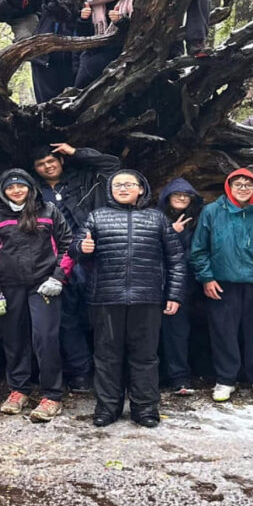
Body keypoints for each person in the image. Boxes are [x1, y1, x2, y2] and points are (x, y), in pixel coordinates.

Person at [76, 170, 186, 428]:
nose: (123, 188)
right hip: (106, 297)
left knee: (145, 356)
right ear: (110, 190)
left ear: (141, 189)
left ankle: (145, 407)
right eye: (117, 185)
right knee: (106, 355)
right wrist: (81, 248)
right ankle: (107, 407)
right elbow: (77, 246)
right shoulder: (97, 216)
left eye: (129, 184)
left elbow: (176, 260)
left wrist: (174, 294)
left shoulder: (156, 218)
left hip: (146, 297)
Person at [0, 169, 72, 423]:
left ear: (31, 188)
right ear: (3, 191)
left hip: (44, 285)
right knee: (14, 338)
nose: (16, 191)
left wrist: (58, 277)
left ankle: (51, 395)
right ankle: (19, 390)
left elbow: (67, 245)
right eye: (10, 187)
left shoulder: (49, 211)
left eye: (21, 186)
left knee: (45, 337)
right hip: (9, 286)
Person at [189, 168, 253, 406]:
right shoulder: (212, 212)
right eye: (238, 184)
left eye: (248, 184)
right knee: (223, 332)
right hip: (222, 283)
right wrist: (206, 277)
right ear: (229, 187)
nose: (243, 189)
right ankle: (226, 378)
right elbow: (199, 248)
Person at [31, 143, 121, 393]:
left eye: (51, 161)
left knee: (100, 317)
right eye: (41, 164)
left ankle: (109, 372)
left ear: (60, 161)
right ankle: (81, 371)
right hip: (56, 261)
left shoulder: (83, 180)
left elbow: (112, 165)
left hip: (92, 257)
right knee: (66, 319)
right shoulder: (34, 192)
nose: (48, 166)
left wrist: (75, 152)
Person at [156, 178, 204, 395]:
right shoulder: (155, 218)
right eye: (177, 195)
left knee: (178, 332)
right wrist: (170, 233)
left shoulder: (198, 221)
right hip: (153, 283)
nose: (182, 198)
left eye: (186, 195)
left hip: (183, 285)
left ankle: (179, 377)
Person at [31, 0, 95, 103]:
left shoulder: (93, 5)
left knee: (70, 101)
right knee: (45, 102)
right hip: (46, 58)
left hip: (74, 61)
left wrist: (85, 18)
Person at [73, 0, 137, 89]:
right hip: (95, 49)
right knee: (81, 87)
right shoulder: (93, 1)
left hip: (123, 50)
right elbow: (85, 35)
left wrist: (121, 21)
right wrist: (84, 20)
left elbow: (140, 28)